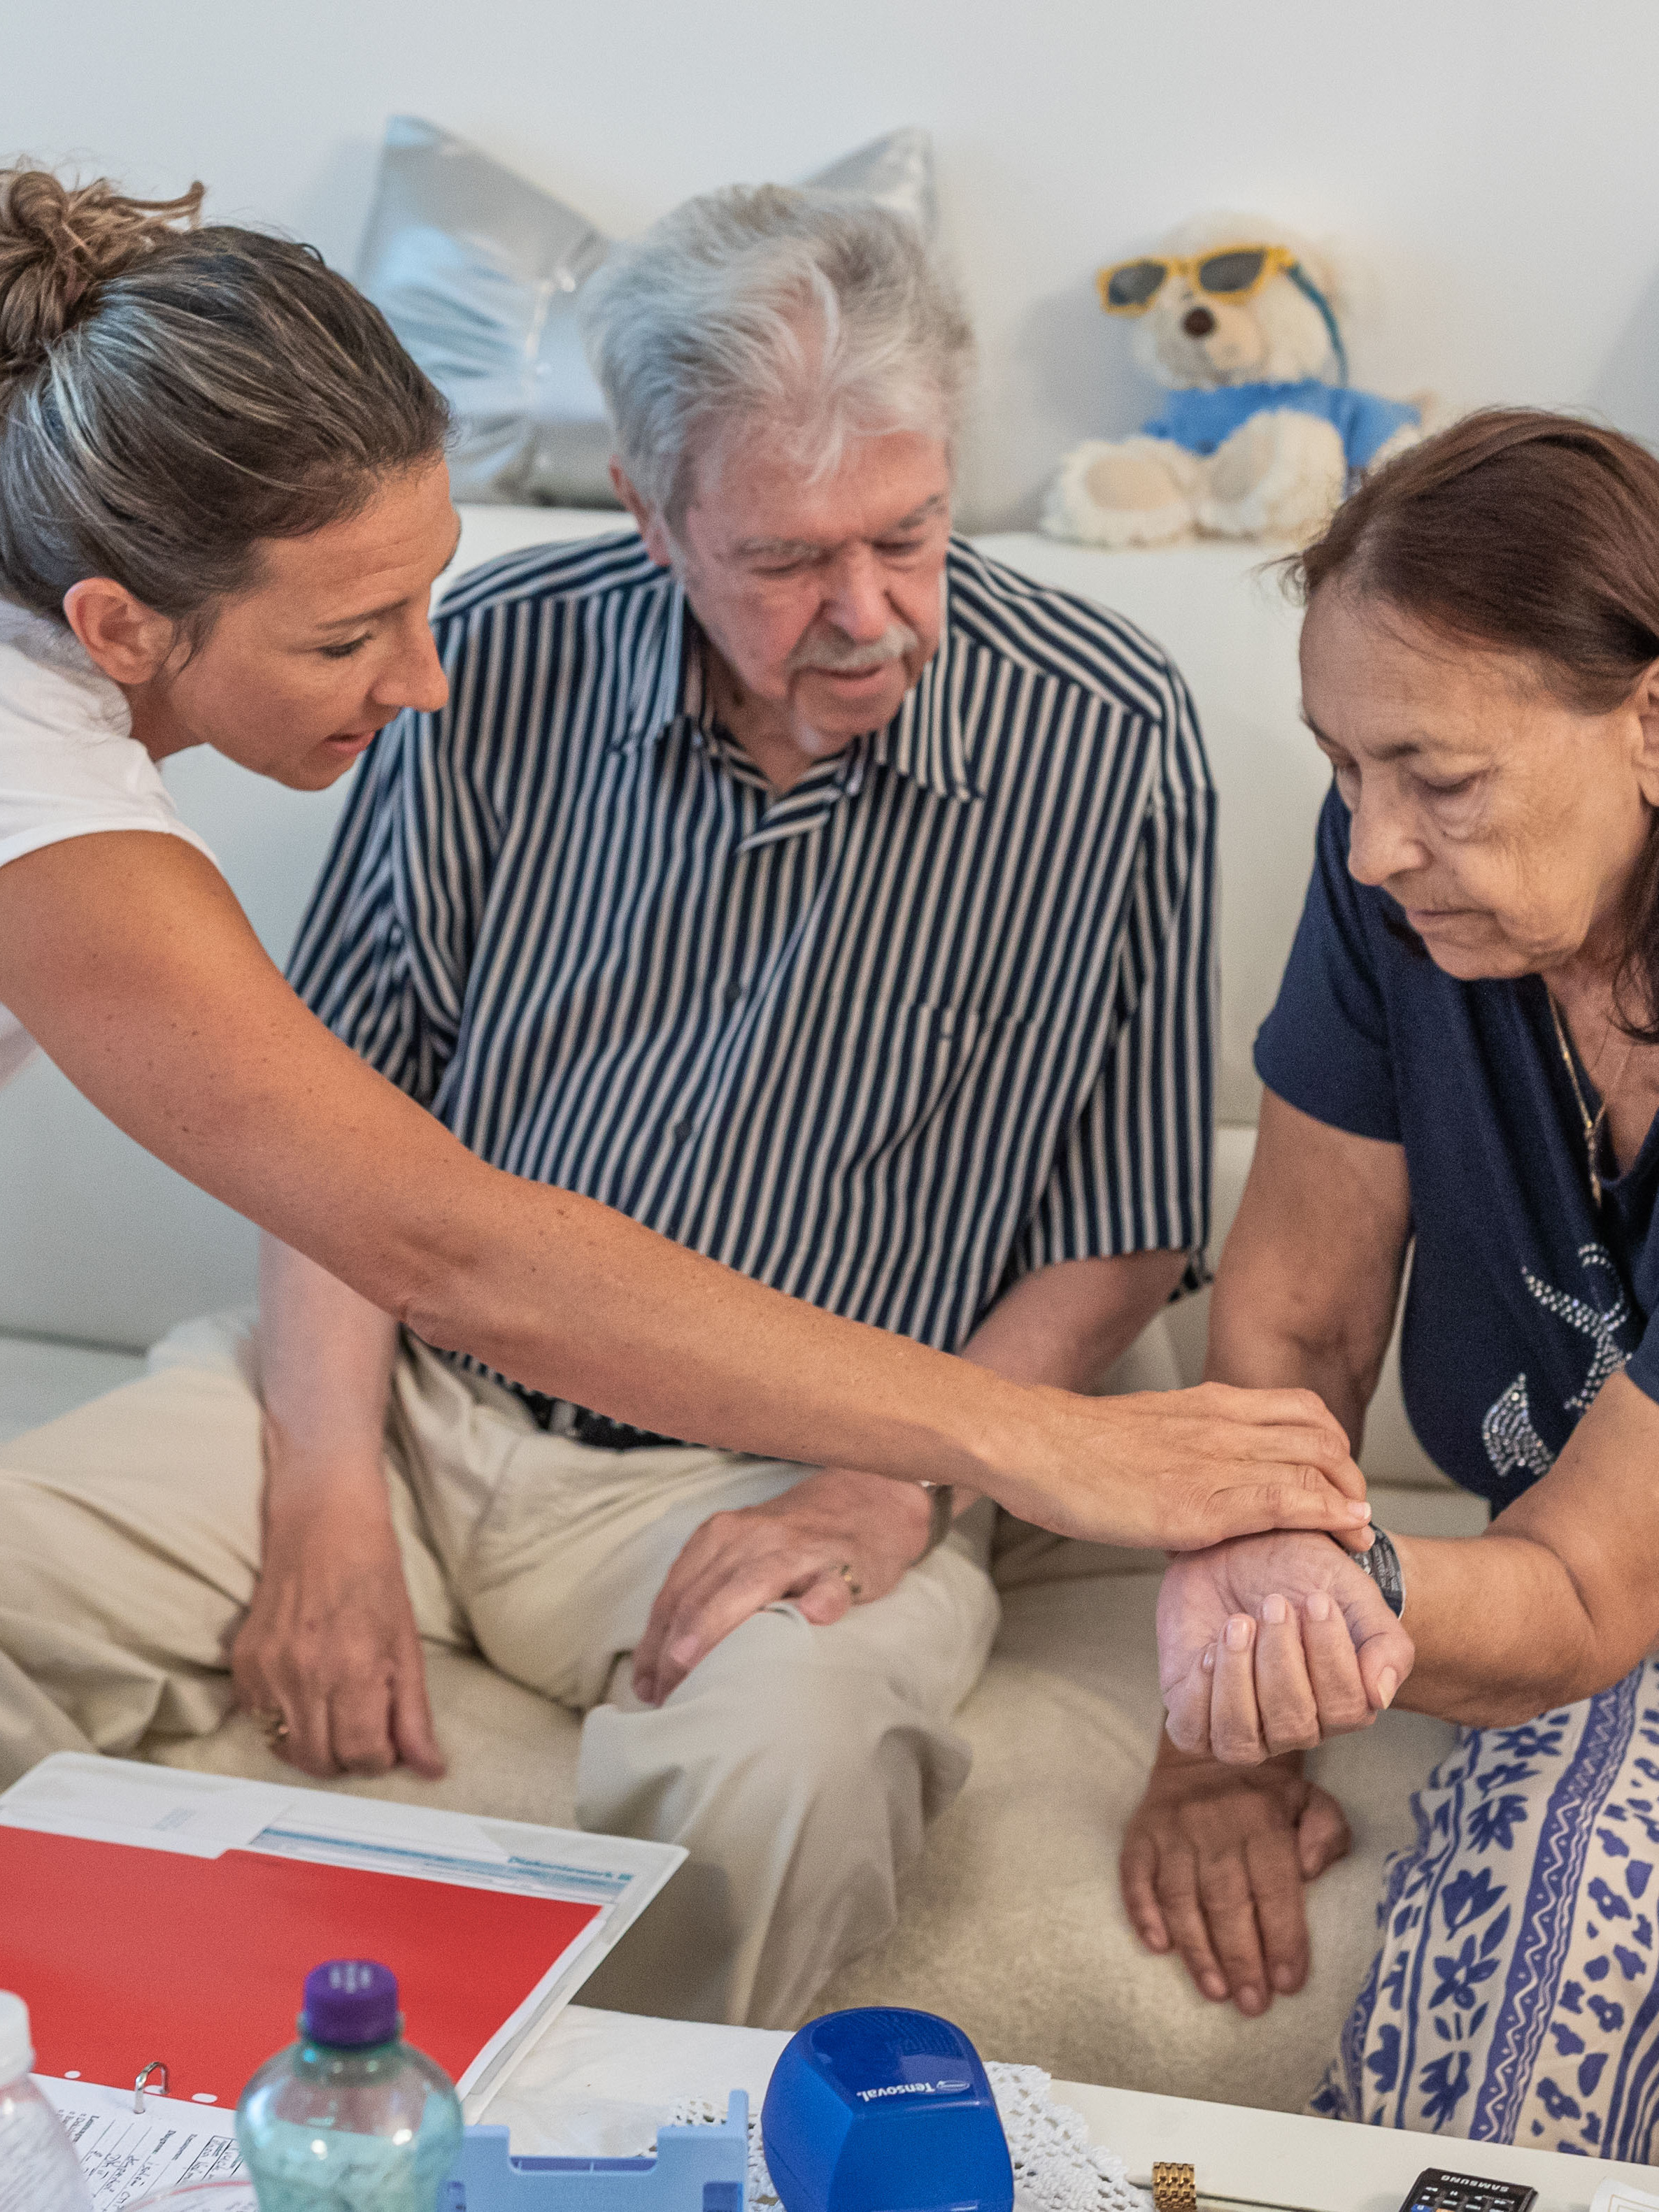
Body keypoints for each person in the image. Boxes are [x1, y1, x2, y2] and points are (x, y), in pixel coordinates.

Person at [0, 176, 1358, 2025]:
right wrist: (320, 1493)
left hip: (792, 1466)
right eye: (788, 558)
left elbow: (1119, 1218)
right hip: (403, 1397)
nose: (867, 612)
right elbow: (367, 1173)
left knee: (777, 1775)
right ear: (647, 510)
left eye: (911, 529)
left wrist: (899, 1479)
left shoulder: (1103, 733)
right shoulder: (466, 671)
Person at [1125, 410, 1659, 2161]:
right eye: (1344, 769)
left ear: (1651, 720)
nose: (1369, 844)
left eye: (1438, 779)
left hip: (1602, 1600)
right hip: (1568, 1590)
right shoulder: (1406, 905)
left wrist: (1297, 1609)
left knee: (1560, 1891)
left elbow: (1585, 1599)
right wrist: (1225, 1737)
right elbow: (1300, 1315)